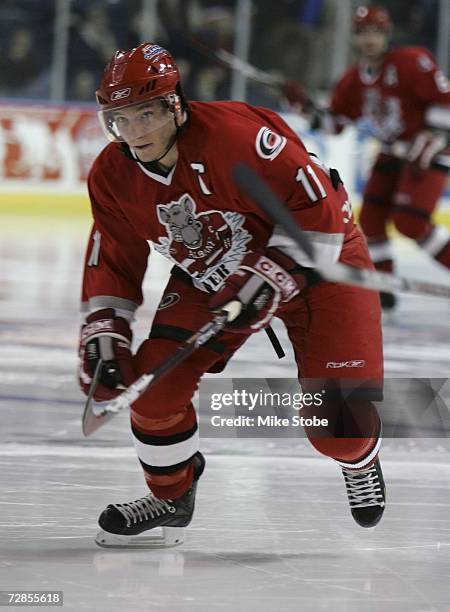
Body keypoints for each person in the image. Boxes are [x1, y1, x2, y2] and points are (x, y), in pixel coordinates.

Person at [78, 42, 385, 548]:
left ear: (175, 105)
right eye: (121, 119)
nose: (134, 133)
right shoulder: (113, 175)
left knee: (339, 430)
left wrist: (273, 274)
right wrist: (104, 330)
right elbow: (113, 255)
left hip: (320, 265)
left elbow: (322, 214)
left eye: (146, 115)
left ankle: (360, 458)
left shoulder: (240, 138)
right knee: (154, 389)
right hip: (218, 274)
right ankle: (172, 495)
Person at [300, 5, 450, 310]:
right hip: (392, 155)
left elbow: (443, 101)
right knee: (370, 220)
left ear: (387, 34)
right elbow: (335, 123)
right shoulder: (354, 78)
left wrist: (434, 137)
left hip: (426, 152)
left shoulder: (411, 62)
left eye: (376, 32)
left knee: (410, 222)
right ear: (356, 37)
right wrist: (306, 108)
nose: (370, 39)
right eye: (364, 33)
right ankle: (382, 287)